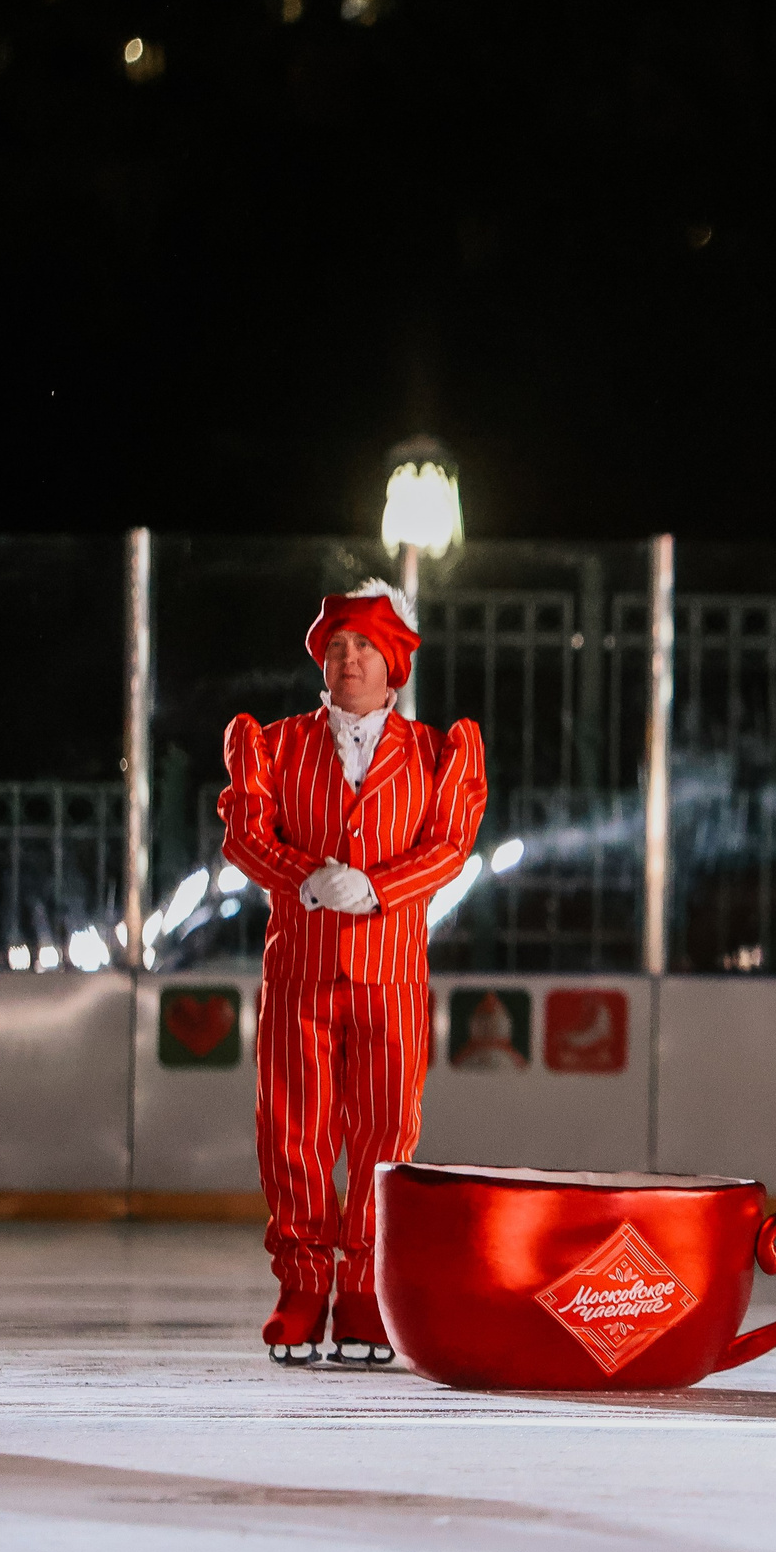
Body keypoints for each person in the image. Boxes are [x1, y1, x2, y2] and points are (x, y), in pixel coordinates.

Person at [219, 580, 488, 1367]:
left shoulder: (438, 751)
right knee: (292, 1133)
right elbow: (244, 835)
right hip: (299, 973)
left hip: (390, 976)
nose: (348, 658)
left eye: (365, 644)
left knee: (385, 1136)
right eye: (336, 645)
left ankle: (367, 1292)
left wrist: (376, 887)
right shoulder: (272, 743)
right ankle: (302, 1287)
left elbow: (449, 845)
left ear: (394, 659)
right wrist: (303, 878)